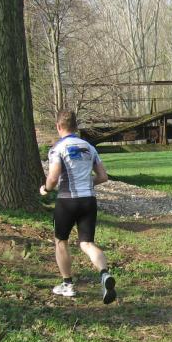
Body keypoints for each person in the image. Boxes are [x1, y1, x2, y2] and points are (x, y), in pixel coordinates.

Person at [40, 110, 116, 304]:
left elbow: (53, 178)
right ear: (75, 127)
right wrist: (87, 183)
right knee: (87, 243)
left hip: (67, 201)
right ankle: (104, 274)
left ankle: (67, 285)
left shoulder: (58, 148)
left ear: (58, 127)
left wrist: (45, 189)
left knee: (61, 241)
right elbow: (103, 177)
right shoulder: (89, 147)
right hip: (88, 200)